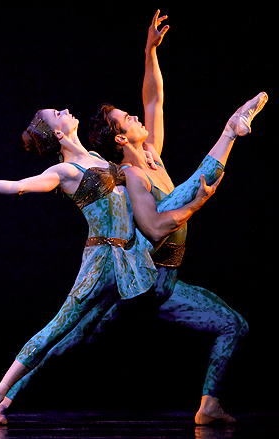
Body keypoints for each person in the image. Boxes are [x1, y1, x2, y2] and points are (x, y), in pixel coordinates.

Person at [0, 103, 221, 426]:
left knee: (83, 332)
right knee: (59, 328)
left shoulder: (97, 155)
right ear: (59, 133)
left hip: (126, 258)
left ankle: (4, 399)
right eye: (57, 114)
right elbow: (19, 186)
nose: (65, 109)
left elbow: (154, 106)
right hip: (100, 260)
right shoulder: (63, 171)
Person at [87, 10, 268, 425]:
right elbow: (152, 226)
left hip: (167, 287)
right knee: (72, 337)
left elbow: (154, 98)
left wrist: (149, 50)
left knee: (234, 325)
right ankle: (5, 396)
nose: (136, 116)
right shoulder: (131, 175)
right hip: (140, 289)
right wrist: (193, 206)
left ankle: (208, 407)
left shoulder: (152, 156)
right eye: (126, 120)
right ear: (120, 138)